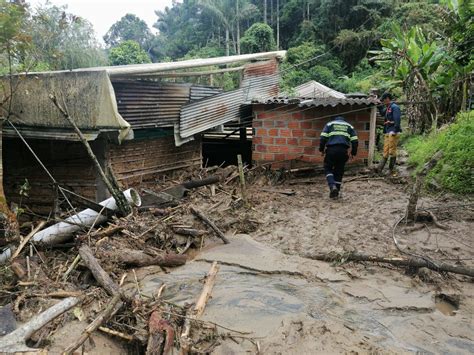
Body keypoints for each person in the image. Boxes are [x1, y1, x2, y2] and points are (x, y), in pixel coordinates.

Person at [319, 116, 358, 199]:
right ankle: (336, 193)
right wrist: (353, 153)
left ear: (335, 119)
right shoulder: (349, 126)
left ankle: (332, 186)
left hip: (331, 150)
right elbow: (355, 141)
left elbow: (322, 138)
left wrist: (321, 149)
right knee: (339, 171)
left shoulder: (330, 124)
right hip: (343, 151)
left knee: (328, 168)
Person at [376, 92, 402, 174]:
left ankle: (391, 169)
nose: (383, 102)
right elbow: (382, 113)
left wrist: (395, 130)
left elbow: (397, 119)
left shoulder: (395, 107)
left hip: (393, 131)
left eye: (383, 101)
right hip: (387, 131)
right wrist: (379, 105)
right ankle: (379, 169)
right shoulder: (388, 108)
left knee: (392, 151)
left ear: (387, 99)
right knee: (385, 150)